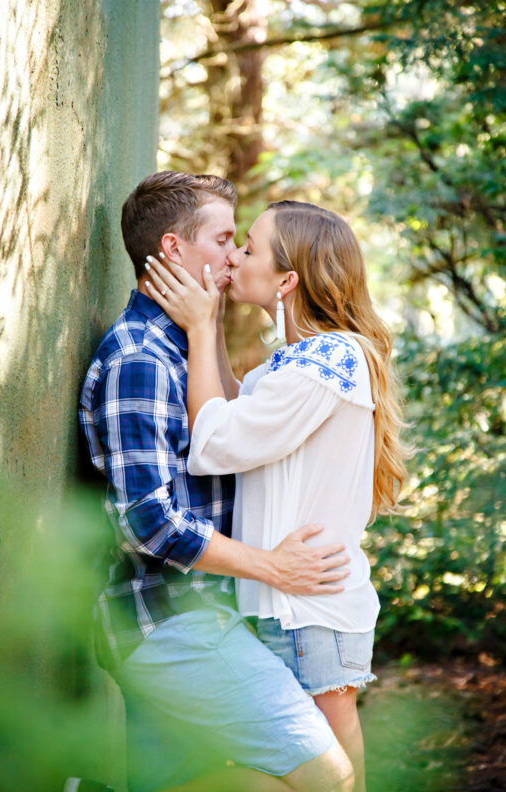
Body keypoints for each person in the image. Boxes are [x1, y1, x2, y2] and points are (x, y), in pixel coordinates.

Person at [79, 172, 356, 792]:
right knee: (330, 777)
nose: (234, 255)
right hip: (168, 621)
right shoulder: (140, 358)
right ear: (174, 251)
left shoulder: (180, 346)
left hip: (207, 612)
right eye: (224, 238)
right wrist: (273, 567)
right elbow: (148, 523)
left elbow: (229, 428)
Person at [144, 200, 407, 792]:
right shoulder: (300, 362)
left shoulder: (328, 361)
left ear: (287, 280)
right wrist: (205, 331)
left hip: (310, 607)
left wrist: (202, 328)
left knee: (335, 782)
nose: (235, 256)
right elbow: (239, 410)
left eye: (250, 248)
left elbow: (214, 443)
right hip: (290, 601)